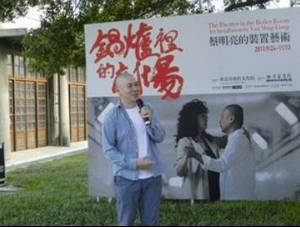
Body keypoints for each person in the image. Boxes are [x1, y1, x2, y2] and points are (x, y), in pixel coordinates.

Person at [102, 72, 166, 226]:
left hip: (152, 177)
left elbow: (160, 136)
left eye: (136, 84)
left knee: (151, 222)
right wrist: (135, 163)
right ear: (119, 90)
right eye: (129, 86)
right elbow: (108, 149)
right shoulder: (112, 116)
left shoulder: (147, 108)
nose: (135, 88)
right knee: (126, 222)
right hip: (127, 179)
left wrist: (149, 120)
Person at [188, 104, 256, 200]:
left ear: (231, 119)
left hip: (240, 199)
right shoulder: (235, 139)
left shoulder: (238, 139)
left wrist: (195, 155)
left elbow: (221, 165)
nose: (220, 121)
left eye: (222, 117)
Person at [175, 99, 225, 202]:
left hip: (216, 192)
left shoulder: (209, 140)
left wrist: (240, 132)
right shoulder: (185, 142)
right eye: (202, 116)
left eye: (206, 116)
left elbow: (227, 140)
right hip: (200, 195)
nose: (206, 119)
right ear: (193, 119)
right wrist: (186, 157)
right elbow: (180, 172)